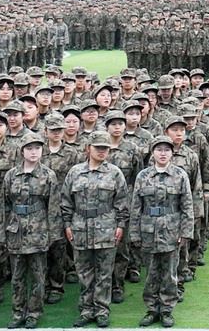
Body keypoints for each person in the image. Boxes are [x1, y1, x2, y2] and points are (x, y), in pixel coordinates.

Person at [57, 130, 131, 329]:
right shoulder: (75, 172)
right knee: (84, 272)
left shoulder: (114, 172)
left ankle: (101, 310)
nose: (102, 152)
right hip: (80, 227)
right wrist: (67, 224)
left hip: (106, 228)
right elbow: (65, 201)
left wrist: (120, 225)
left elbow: (122, 202)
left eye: (105, 148)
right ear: (88, 148)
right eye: (98, 148)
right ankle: (86, 309)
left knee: (105, 272)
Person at [129, 135, 195, 327]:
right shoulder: (143, 176)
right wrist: (134, 233)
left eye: (167, 150)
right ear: (153, 153)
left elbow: (187, 206)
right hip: (148, 230)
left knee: (169, 274)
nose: (163, 153)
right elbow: (136, 207)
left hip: (171, 231)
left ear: (172, 153)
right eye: (159, 150)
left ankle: (166, 310)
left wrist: (185, 232)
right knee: (150, 273)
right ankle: (151, 309)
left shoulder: (180, 175)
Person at [2, 136, 59, 329]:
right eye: (29, 148)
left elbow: (53, 206)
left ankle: (34, 313)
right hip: (16, 229)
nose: (34, 152)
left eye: (37, 148)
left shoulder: (48, 175)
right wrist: (2, 231)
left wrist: (53, 233)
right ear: (22, 151)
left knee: (37, 275)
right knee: (17, 275)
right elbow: (5, 204)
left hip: (38, 229)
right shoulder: (11, 175)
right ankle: (18, 312)